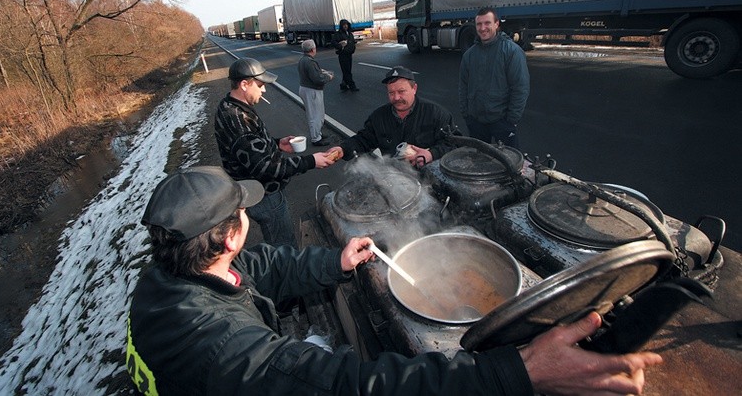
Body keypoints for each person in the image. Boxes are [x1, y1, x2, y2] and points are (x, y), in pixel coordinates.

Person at [126, 166, 663, 396]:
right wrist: (516, 373)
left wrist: (333, 264)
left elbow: (261, 269)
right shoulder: (221, 345)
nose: (249, 215)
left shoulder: (174, 272)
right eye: (242, 212)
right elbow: (345, 384)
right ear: (227, 239)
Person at [214, 57, 337, 247]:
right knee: (283, 246)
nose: (264, 90)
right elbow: (265, 167)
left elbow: (249, 148)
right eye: (260, 85)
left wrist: (277, 144)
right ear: (245, 84)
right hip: (264, 195)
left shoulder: (229, 105)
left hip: (258, 189)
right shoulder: (238, 119)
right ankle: (287, 275)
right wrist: (311, 161)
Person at [331, 66, 458, 167]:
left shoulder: (436, 114)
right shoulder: (379, 117)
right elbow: (363, 140)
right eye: (391, 93)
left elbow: (455, 143)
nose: (396, 98)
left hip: (431, 180)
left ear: (414, 88)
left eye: (401, 91)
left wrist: (431, 154)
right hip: (395, 182)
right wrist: (342, 149)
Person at [459, 7, 530, 149]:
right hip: (476, 122)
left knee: (508, 164)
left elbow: (520, 87)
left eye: (487, 23)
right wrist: (467, 114)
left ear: (496, 24)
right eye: (479, 24)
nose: (483, 28)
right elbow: (463, 86)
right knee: (478, 163)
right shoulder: (469, 55)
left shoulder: (511, 51)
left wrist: (511, 120)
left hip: (502, 122)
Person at [298, 39, 334, 147]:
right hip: (311, 90)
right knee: (315, 115)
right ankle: (316, 139)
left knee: (316, 113)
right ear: (313, 49)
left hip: (306, 88)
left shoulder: (303, 60)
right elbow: (317, 79)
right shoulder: (310, 62)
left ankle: (318, 133)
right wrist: (328, 77)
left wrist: (319, 71)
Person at [331, 18, 358, 91]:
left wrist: (353, 48)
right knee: (347, 71)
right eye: (344, 25)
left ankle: (343, 85)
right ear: (341, 26)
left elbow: (352, 42)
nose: (345, 26)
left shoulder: (350, 34)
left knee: (347, 70)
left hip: (349, 54)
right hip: (342, 55)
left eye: (346, 24)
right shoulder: (338, 34)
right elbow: (333, 42)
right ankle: (352, 86)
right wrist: (340, 46)